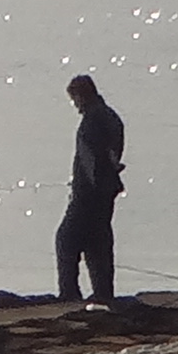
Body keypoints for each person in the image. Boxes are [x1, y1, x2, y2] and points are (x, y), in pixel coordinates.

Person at [55, 73, 127, 305]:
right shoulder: (112, 117)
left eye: (74, 99)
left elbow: (92, 160)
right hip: (107, 191)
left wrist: (85, 187)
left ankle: (70, 294)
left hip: (90, 193)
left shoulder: (91, 122)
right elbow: (113, 154)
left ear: (81, 95)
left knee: (66, 239)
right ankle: (103, 292)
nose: (75, 105)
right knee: (98, 242)